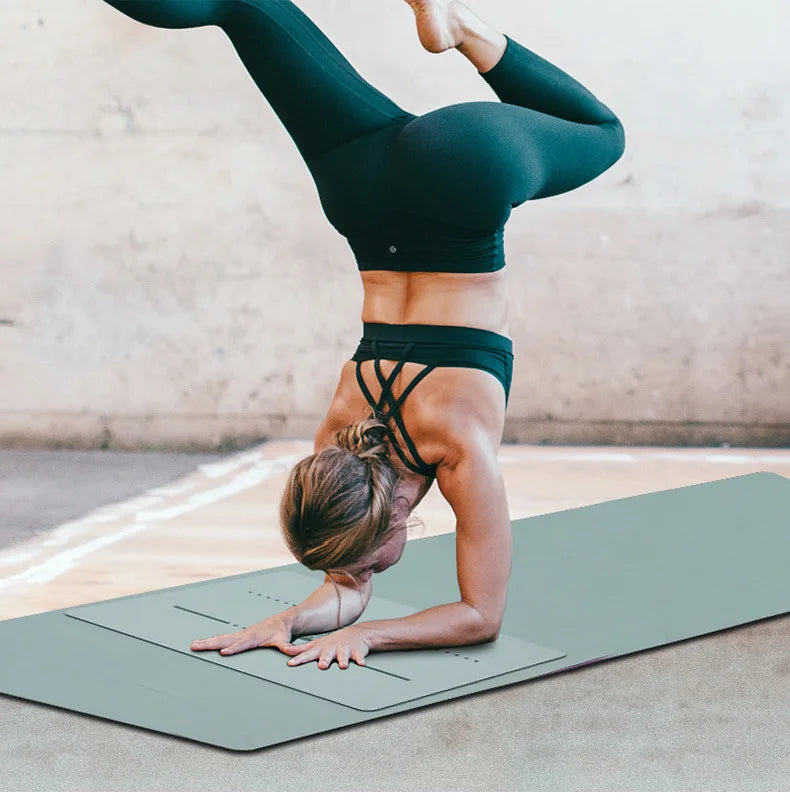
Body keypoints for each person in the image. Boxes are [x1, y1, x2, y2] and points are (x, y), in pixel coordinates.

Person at [99, 0, 625, 669]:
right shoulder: (335, 445)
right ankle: (456, 28)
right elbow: (350, 587)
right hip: (362, 188)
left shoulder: (457, 447)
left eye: (362, 563)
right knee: (242, 7)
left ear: (392, 526)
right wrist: (292, 620)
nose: (364, 576)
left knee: (602, 131)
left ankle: (464, 30)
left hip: (465, 173)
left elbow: (479, 616)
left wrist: (369, 634)